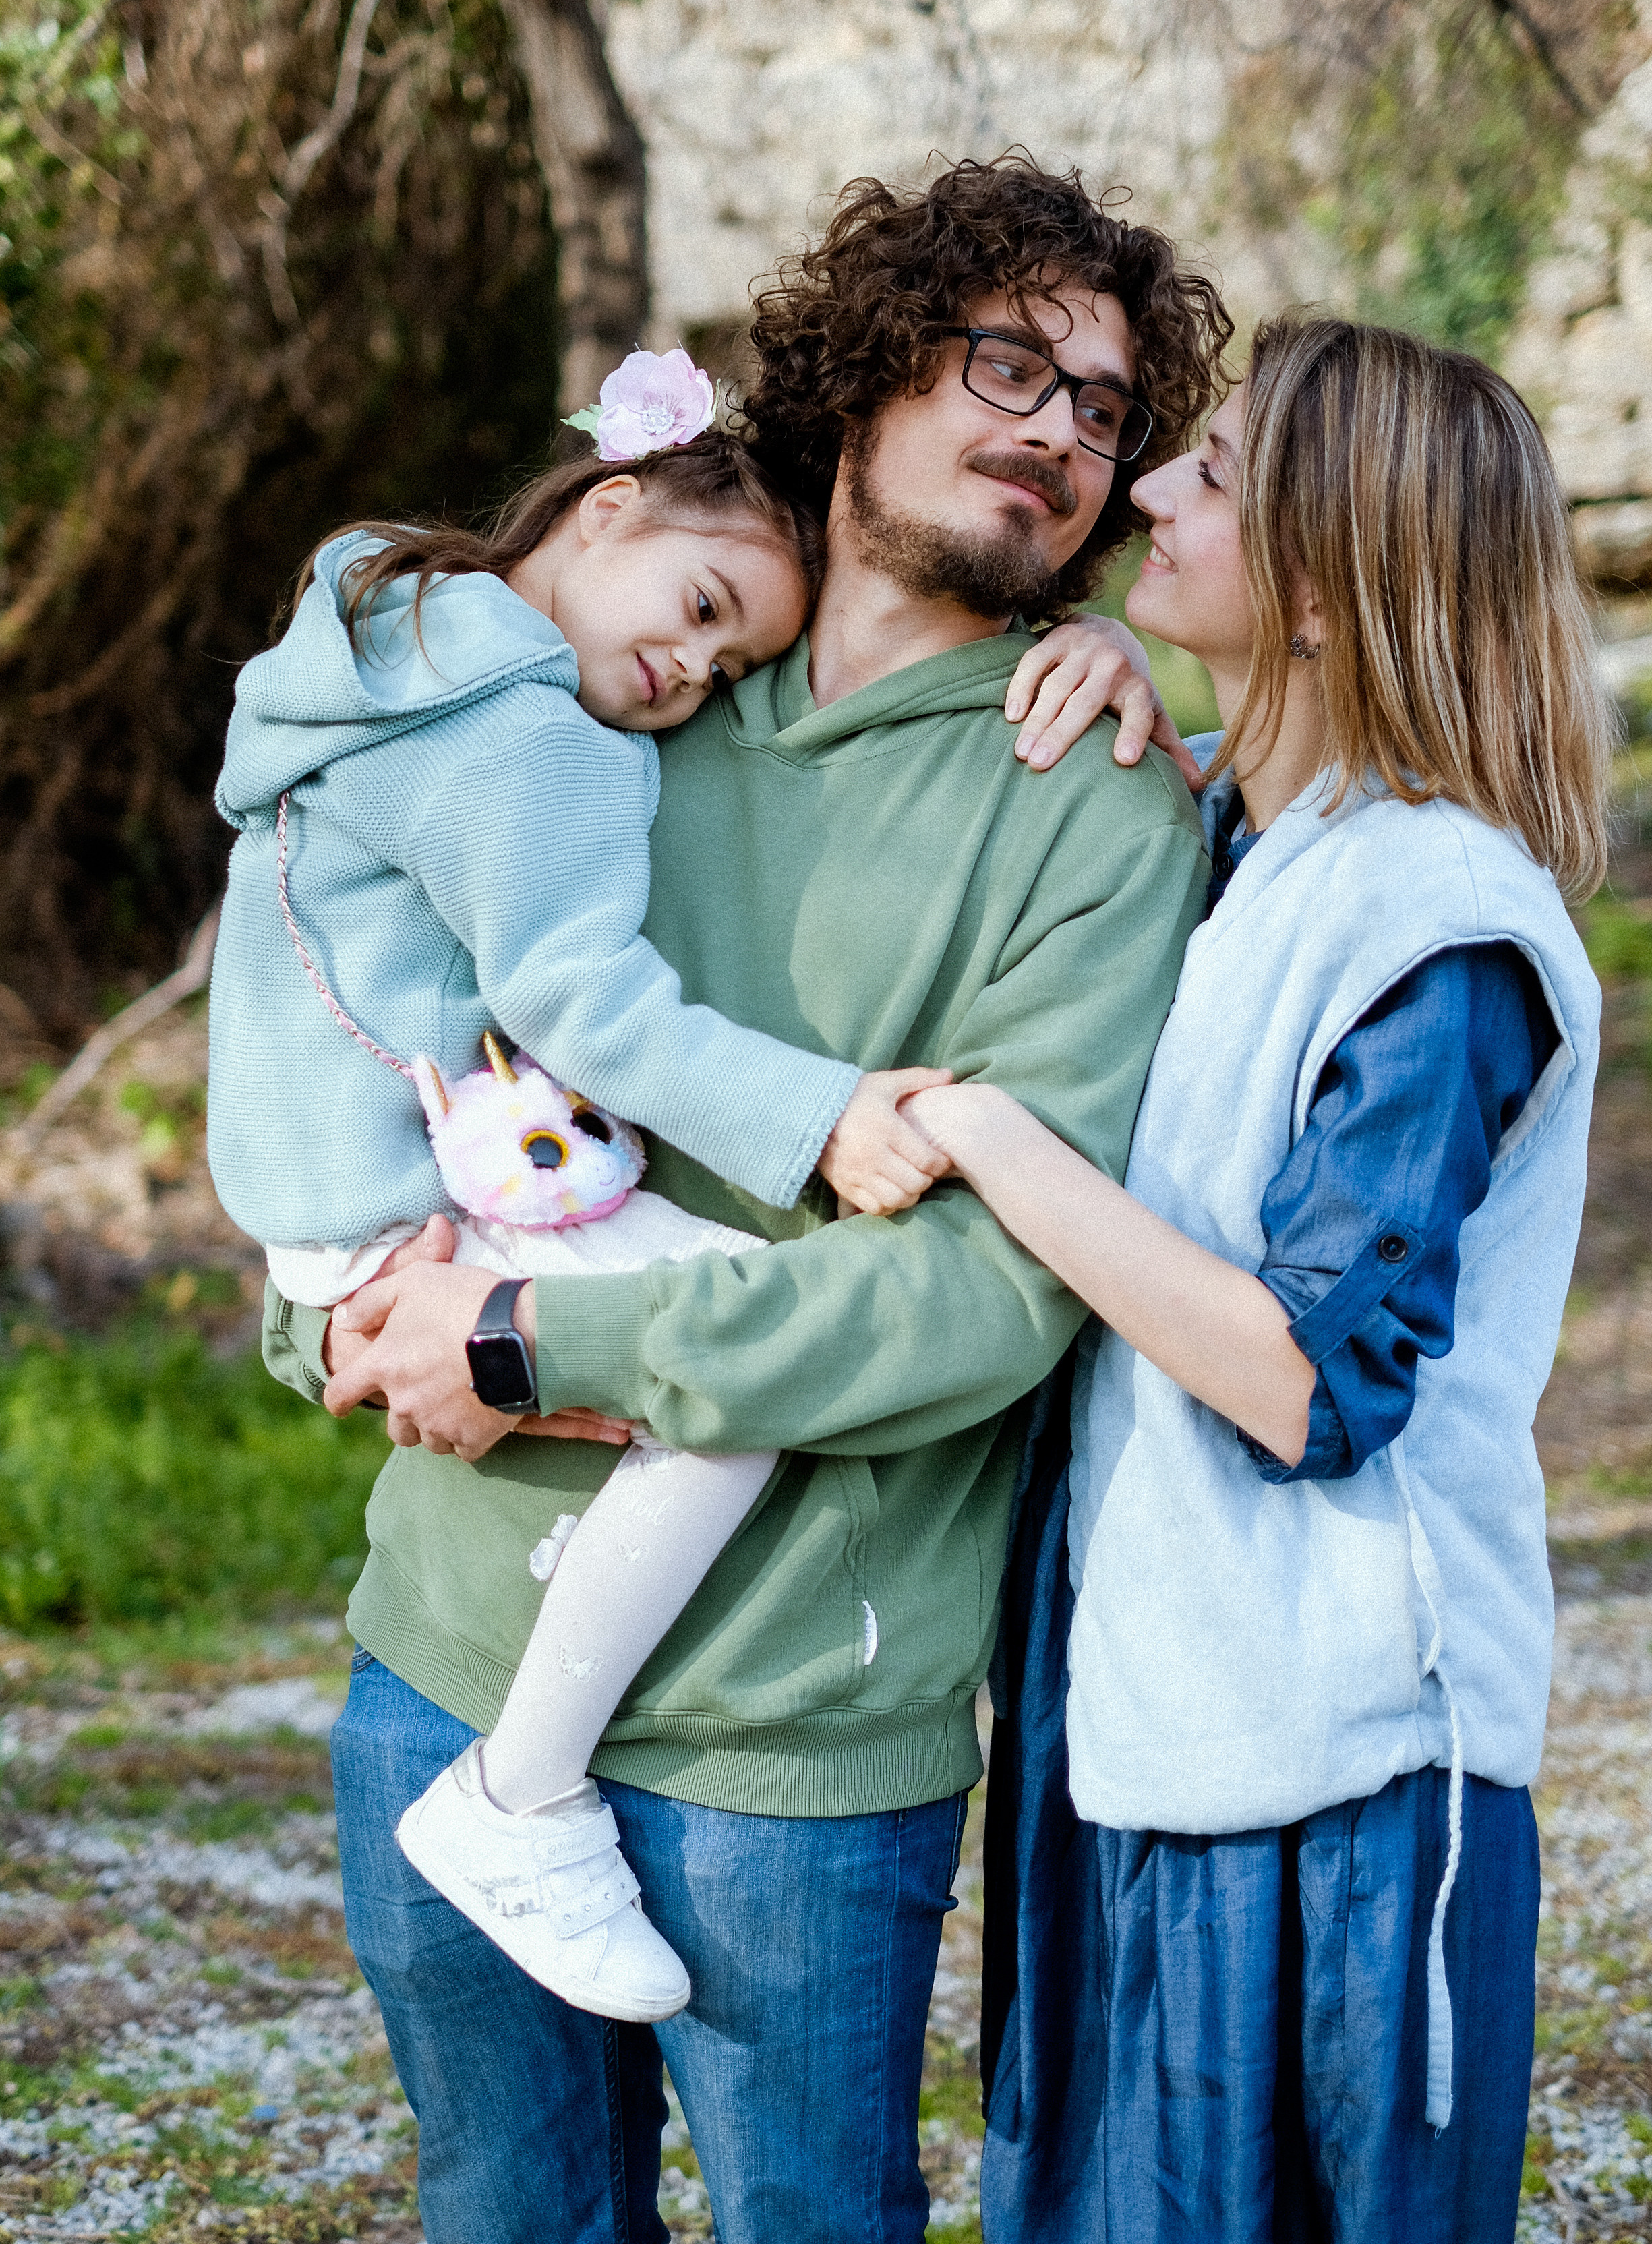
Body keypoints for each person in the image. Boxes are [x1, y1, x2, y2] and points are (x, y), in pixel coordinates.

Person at [260, 152, 1231, 2243]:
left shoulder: (1092, 804)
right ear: (872, 365)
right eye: (1010, 363)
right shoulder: (632, 680)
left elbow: (985, 1295)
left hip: (790, 1741)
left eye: (1105, 413)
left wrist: (540, 1338)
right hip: (438, 1653)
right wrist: (326, 1307)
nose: (1061, 429)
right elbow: (345, 963)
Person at [900, 316, 1611, 2244]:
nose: (1138, 487)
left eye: (1203, 475)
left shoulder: (1445, 925)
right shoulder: (1241, 840)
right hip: (1142, 1717)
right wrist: (1143, 687)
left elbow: (1308, 1383)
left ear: (1322, 581)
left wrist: (980, 1133)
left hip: (1345, 1773)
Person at [210, 388, 982, 2024]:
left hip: (331, 1187)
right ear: (609, 503)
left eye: (725, 670)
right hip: (412, 1186)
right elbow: (589, 1009)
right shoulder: (530, 736)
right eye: (702, 612)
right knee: (737, 1354)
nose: (687, 679)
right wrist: (826, 1116)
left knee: (684, 1351)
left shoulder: (382, 640)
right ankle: (525, 1792)